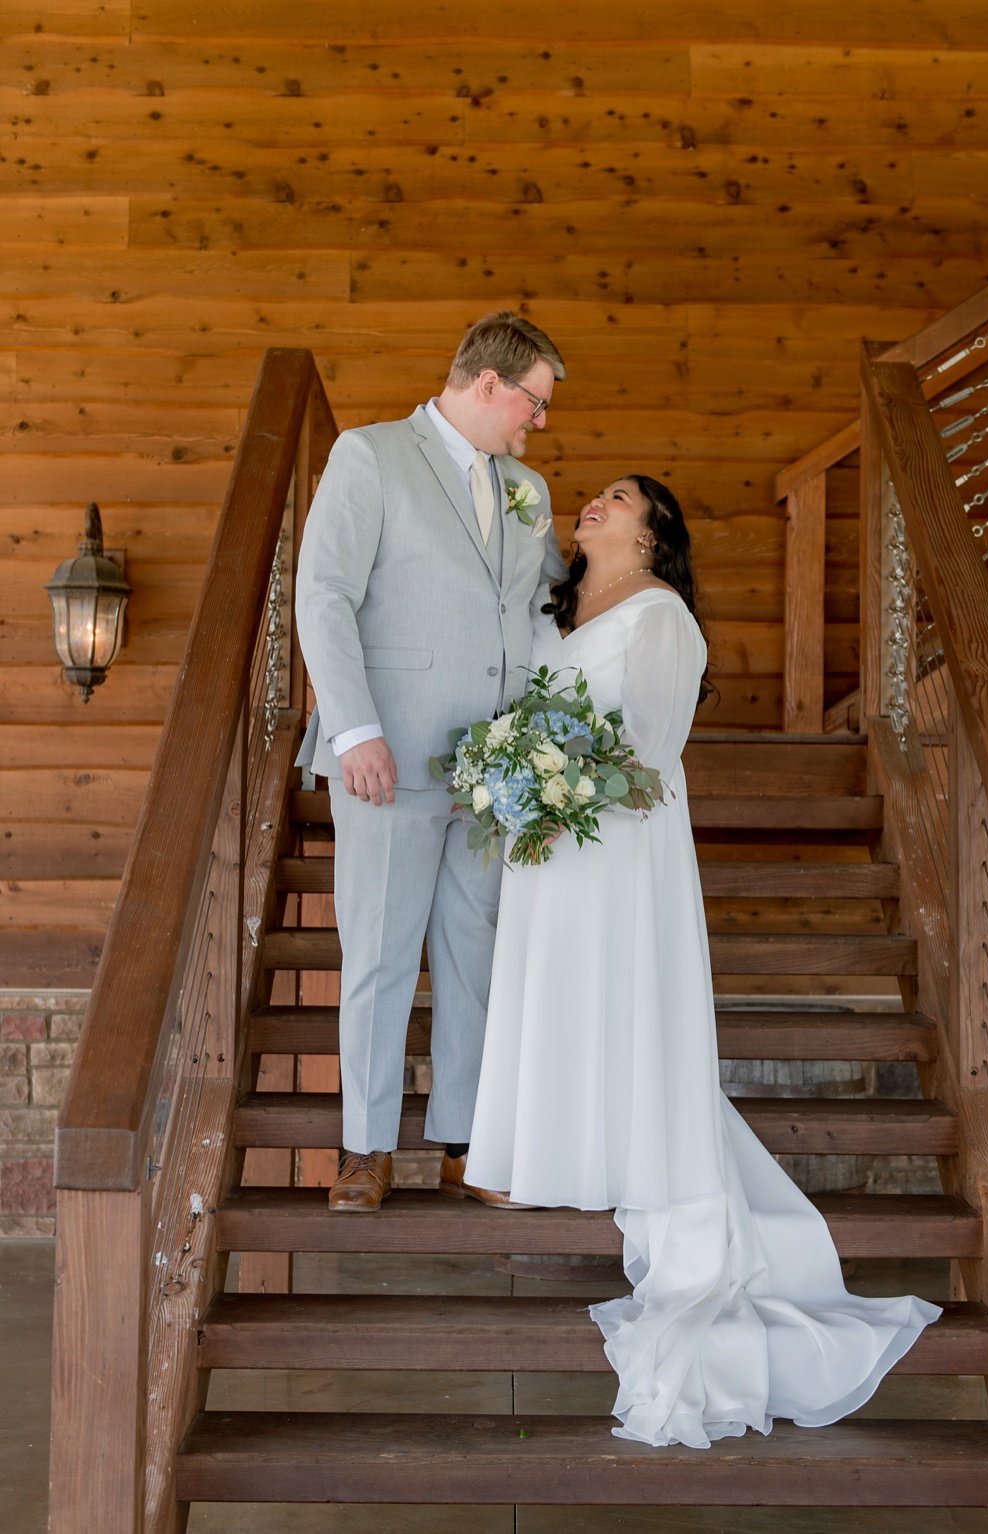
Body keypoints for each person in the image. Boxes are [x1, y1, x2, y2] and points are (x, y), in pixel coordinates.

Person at [463, 474, 938, 1447]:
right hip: (549, 846)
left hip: (617, 852)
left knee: (624, 1014)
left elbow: (648, 753)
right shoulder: (554, 608)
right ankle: (546, 1147)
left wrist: (560, 785)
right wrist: (518, 779)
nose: (596, 502)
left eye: (619, 497)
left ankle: (654, 1172)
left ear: (656, 532)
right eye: (594, 494)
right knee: (555, 1005)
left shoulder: (661, 617)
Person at [295, 311, 570, 1213]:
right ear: (487, 384)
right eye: (533, 402)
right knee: (377, 954)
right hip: (390, 753)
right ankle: (365, 1148)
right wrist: (351, 729)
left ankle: (463, 1138)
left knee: (473, 950)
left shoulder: (528, 488)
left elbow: (536, 611)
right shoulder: (369, 455)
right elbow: (325, 593)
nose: (540, 422)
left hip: (497, 767)